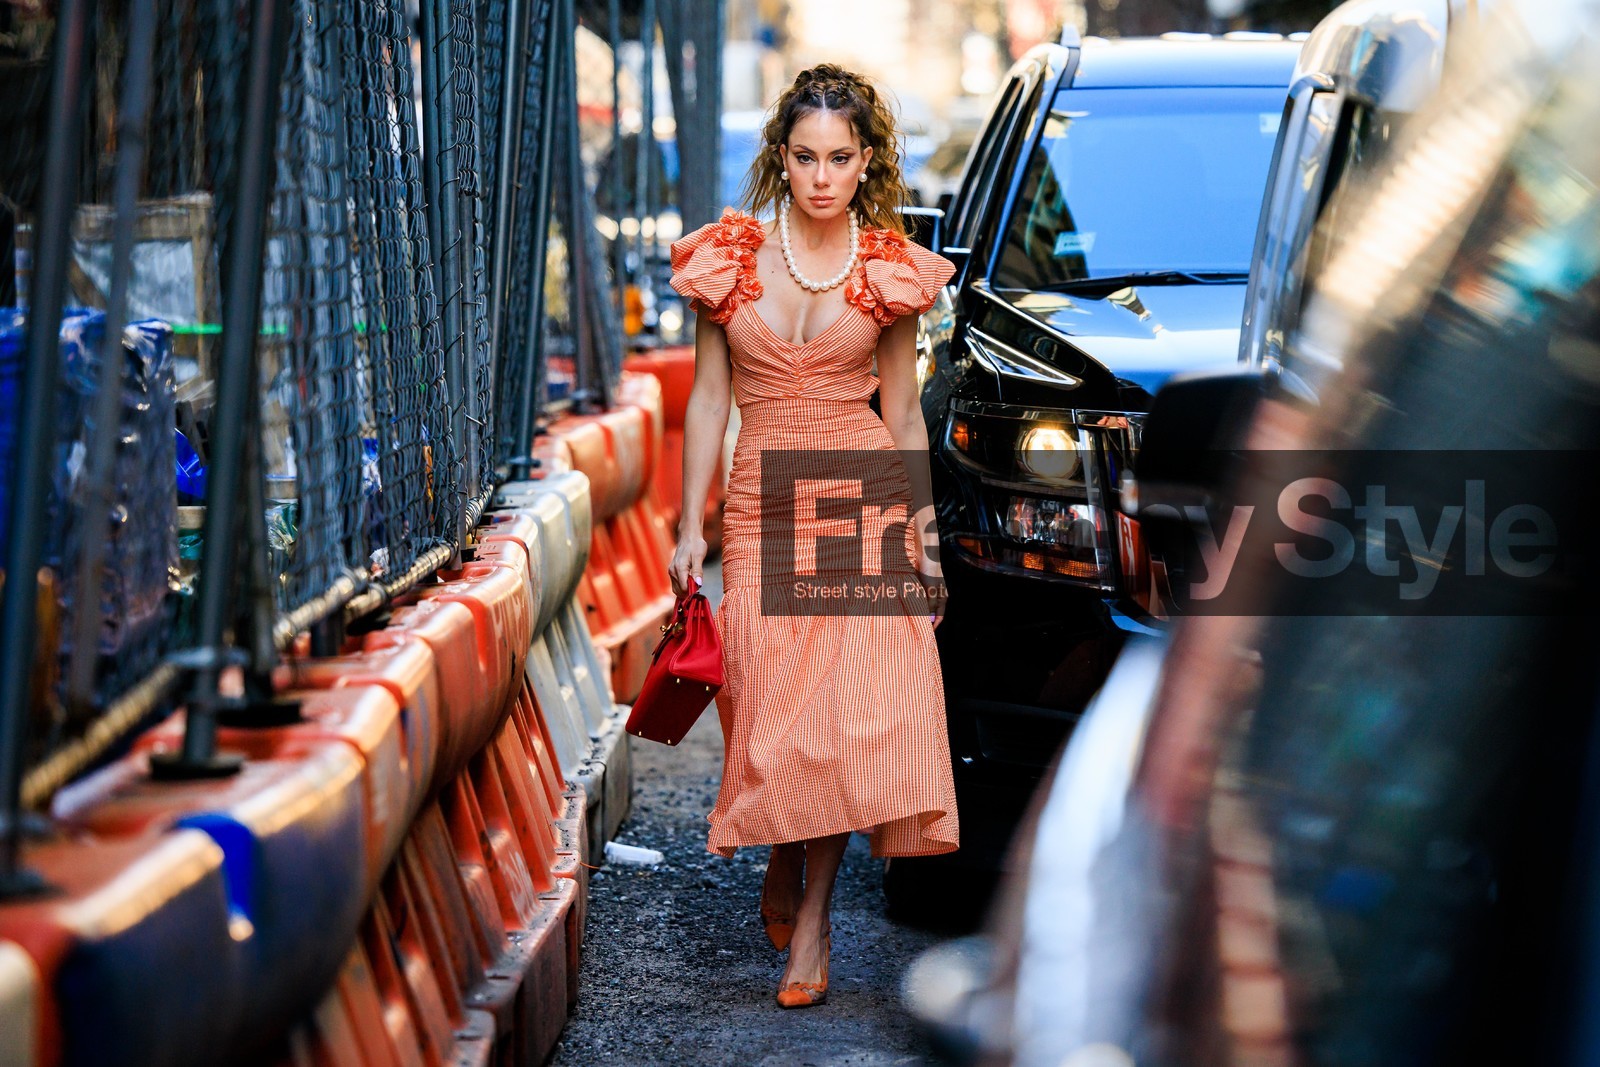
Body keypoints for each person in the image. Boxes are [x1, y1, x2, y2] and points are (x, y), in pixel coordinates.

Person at [666, 63, 960, 1009]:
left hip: (857, 495)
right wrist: (688, 527)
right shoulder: (730, 256)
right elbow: (708, 401)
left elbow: (904, 414)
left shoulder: (886, 268)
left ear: (866, 160)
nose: (822, 177)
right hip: (760, 499)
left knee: (837, 715)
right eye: (805, 157)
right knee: (771, 704)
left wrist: (923, 537)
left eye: (839, 158)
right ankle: (784, 849)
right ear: (781, 158)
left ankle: (817, 919)